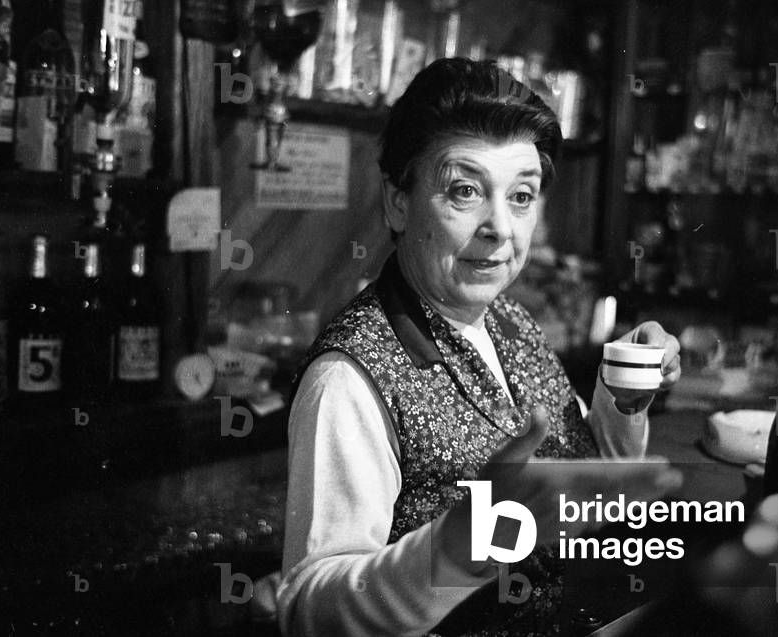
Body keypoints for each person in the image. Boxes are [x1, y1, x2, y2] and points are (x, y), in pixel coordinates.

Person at [276, 58, 682, 636]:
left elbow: (581, 501)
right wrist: (456, 549)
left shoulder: (511, 321)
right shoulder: (348, 377)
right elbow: (308, 612)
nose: (500, 227)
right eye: (465, 191)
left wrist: (623, 399)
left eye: (521, 196)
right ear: (397, 201)